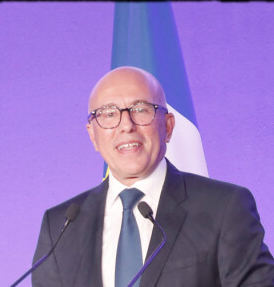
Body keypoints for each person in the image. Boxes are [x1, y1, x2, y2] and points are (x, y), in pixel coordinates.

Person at [32, 66, 274, 286]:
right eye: (108, 114)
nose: (126, 125)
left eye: (140, 110)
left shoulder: (223, 208)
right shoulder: (61, 225)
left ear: (168, 126)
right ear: (93, 135)